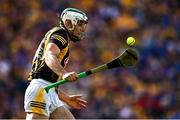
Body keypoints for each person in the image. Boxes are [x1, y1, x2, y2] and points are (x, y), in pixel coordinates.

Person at [24, 8, 88, 119]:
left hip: (49, 90)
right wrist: (64, 74)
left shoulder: (62, 40)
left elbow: (48, 80)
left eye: (84, 25)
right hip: (40, 90)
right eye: (80, 24)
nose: (83, 29)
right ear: (68, 23)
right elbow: (49, 55)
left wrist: (66, 98)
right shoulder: (61, 34)